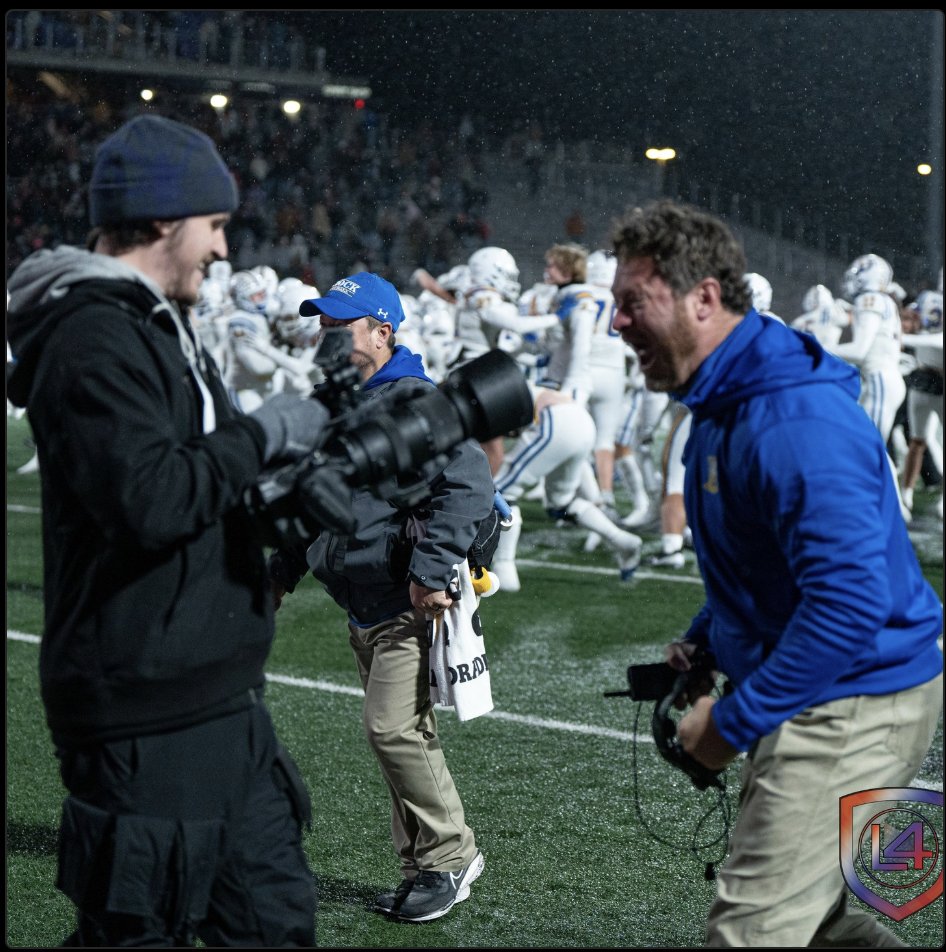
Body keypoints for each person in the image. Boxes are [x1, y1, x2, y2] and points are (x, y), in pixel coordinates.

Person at [5, 114, 326, 946]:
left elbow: (203, 481)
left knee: (274, 924)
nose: (223, 248)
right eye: (214, 225)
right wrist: (264, 435)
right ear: (161, 220)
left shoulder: (156, 321)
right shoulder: (90, 333)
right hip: (140, 707)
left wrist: (290, 489)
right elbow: (147, 498)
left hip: (218, 690)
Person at [610, 199, 943, 948]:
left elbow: (850, 604)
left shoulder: (790, 420)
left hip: (856, 691)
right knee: (823, 924)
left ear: (704, 298)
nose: (615, 324)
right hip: (841, 682)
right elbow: (763, 563)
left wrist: (728, 725)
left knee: (752, 931)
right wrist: (708, 639)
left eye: (633, 303)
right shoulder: (726, 402)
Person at [268, 272, 493, 924]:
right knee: (398, 735)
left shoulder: (418, 399)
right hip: (362, 601)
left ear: (383, 332)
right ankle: (422, 867)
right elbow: (310, 504)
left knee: (392, 729)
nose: (325, 336)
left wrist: (427, 570)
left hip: (407, 601)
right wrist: (280, 570)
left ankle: (451, 856)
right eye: (323, 324)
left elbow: (471, 488)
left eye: (340, 325)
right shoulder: (335, 402)